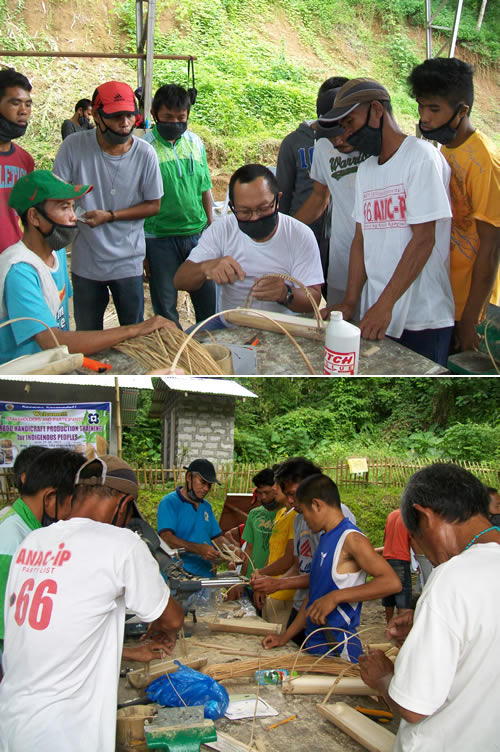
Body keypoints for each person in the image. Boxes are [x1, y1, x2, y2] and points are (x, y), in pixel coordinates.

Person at [0, 454, 184, 751]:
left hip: (12, 721)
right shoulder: (122, 544)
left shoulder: (31, 543)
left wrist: (130, 652)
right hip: (63, 733)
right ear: (123, 504)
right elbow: (172, 619)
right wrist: (164, 625)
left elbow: (58, 633)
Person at [359, 463, 500, 752]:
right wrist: (422, 634)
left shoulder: (452, 576)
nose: (424, 555)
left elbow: (414, 707)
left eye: (417, 540)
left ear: (426, 516)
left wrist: (384, 677)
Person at [326, 78, 455, 367]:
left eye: (349, 123)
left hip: (422, 318)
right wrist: (350, 302)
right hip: (378, 316)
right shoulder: (367, 170)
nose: (346, 134)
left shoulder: (421, 158)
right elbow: (361, 240)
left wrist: (386, 305)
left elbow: (424, 240)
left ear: (376, 110)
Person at [0, 170, 174, 365]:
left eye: (73, 208)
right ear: (34, 217)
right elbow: (52, 340)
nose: (73, 217)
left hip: (50, 366)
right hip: (20, 377)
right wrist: (135, 329)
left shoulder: (55, 253)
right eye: (64, 208)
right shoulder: (20, 271)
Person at [53, 80, 163, 330]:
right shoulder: (74, 147)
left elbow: (154, 205)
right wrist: (71, 209)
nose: (124, 123)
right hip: (86, 261)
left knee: (134, 334)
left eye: (128, 115)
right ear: (98, 117)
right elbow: (59, 194)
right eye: (115, 117)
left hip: (128, 260)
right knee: (88, 334)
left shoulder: (145, 154)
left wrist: (110, 216)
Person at [407, 58, 500, 353]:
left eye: (434, 109)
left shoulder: (485, 161)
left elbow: (491, 247)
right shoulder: (444, 150)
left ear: (462, 111)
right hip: (441, 298)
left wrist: (471, 319)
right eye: (421, 107)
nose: (425, 118)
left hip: (468, 306)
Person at [263, 474, 400, 660]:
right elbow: (314, 596)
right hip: (315, 644)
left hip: (338, 647)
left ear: (317, 505)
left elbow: (391, 582)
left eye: (304, 512)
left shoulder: (351, 538)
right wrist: (285, 637)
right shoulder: (325, 538)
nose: (304, 519)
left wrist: (336, 597)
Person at [173, 164, 324, 319]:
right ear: (232, 207)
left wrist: (286, 294)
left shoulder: (299, 235)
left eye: (264, 208)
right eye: (245, 212)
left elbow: (313, 298)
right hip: (231, 327)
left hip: (285, 330)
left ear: (278, 199)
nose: (255, 217)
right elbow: (180, 280)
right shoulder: (222, 230)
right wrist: (205, 267)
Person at [253, 457, 356, 645]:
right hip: (303, 608)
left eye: (294, 494)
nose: (290, 501)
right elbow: (301, 566)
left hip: (330, 618)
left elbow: (328, 577)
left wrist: (278, 584)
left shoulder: (337, 519)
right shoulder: (301, 518)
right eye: (287, 494)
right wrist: (274, 582)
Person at [0, 449, 85, 657]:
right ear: (50, 498)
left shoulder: (31, 531)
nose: (76, 513)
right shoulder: (12, 538)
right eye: (74, 502)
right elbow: (6, 628)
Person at [294, 79, 370, 310]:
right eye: (329, 134)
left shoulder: (380, 148)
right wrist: (286, 230)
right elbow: (319, 197)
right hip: (342, 259)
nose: (337, 141)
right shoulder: (323, 147)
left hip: (379, 263)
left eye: (343, 132)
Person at [143, 84, 215, 328]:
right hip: (158, 239)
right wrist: (141, 248)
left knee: (208, 304)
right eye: (168, 117)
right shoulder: (143, 149)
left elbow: (205, 187)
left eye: (180, 118)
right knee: (165, 309)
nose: (175, 122)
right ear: (154, 114)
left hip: (197, 235)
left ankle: (209, 355)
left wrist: (211, 227)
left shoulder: (195, 143)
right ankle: (177, 360)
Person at [276, 77, 346, 252]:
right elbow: (283, 195)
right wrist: (283, 236)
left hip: (345, 237)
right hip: (305, 235)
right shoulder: (293, 142)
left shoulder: (359, 144)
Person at [157, 459, 234, 578]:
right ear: (189, 477)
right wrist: (199, 549)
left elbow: (217, 537)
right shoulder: (169, 503)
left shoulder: (206, 506)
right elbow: (167, 539)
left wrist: (232, 549)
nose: (206, 489)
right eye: (202, 482)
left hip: (206, 574)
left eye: (209, 485)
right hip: (179, 576)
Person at [0, 68, 34, 254]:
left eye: (28, 104)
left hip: (13, 260)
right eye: (15, 103)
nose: (24, 111)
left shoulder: (25, 160)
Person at [240, 468, 281, 576]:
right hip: (251, 577)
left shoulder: (286, 515)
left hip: (273, 581)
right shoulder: (254, 514)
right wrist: (242, 579)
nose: (263, 497)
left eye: (267, 492)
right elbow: (248, 549)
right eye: (260, 493)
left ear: (276, 489)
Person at [381, 508, 412, 623]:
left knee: (388, 592)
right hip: (401, 559)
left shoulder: (391, 515)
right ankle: (401, 624)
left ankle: (389, 623)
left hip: (387, 559)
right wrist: (419, 559)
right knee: (403, 592)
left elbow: (386, 539)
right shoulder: (408, 517)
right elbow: (413, 540)